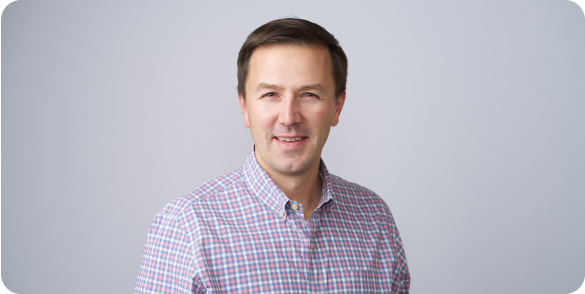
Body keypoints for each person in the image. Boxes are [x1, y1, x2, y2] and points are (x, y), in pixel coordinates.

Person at [135, 17, 410, 293]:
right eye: (270, 94)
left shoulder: (376, 219)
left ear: (337, 107)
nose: (289, 117)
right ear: (244, 107)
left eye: (309, 95)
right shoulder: (186, 227)